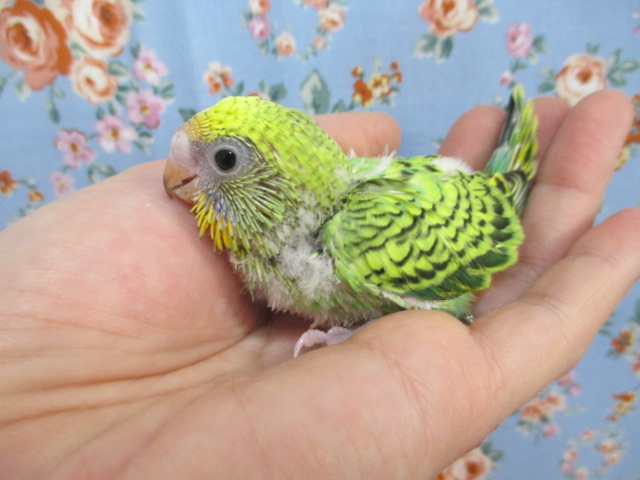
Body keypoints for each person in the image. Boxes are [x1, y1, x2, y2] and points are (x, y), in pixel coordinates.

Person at [0, 89, 637, 479]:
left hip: (475, 208)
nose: (180, 175)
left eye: (225, 162)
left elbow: (457, 297)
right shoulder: (258, 249)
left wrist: (373, 326)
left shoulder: (358, 236)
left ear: (279, 183)